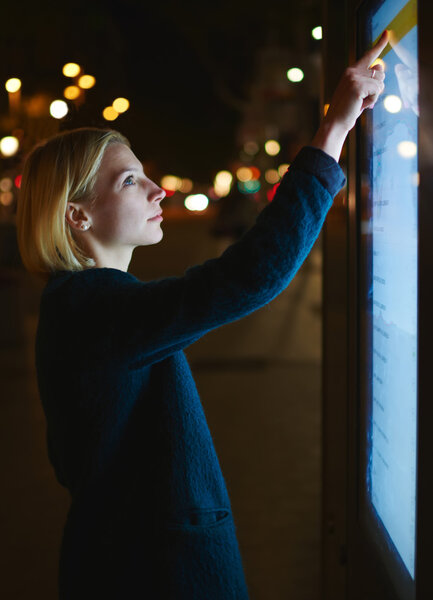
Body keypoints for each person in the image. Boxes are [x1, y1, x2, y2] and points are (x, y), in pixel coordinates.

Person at [16, 31, 388, 600]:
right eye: (129, 181)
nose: (157, 191)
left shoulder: (86, 304)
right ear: (77, 217)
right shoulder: (89, 310)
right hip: (155, 573)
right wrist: (332, 131)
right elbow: (243, 280)